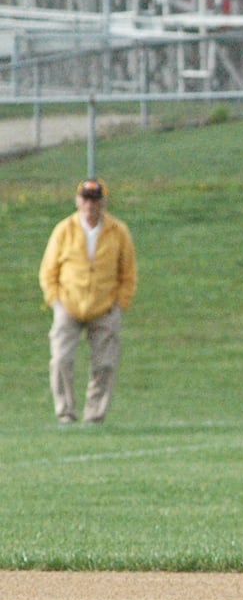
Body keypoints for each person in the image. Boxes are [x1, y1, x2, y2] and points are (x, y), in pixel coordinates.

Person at [39, 178, 138, 425]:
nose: (89, 205)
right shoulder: (64, 230)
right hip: (68, 306)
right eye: (85, 199)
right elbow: (48, 270)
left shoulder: (118, 231)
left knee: (105, 364)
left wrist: (120, 303)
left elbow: (128, 273)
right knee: (61, 360)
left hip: (104, 308)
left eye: (95, 199)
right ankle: (65, 413)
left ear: (103, 202)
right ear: (77, 201)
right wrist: (55, 300)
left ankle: (94, 416)